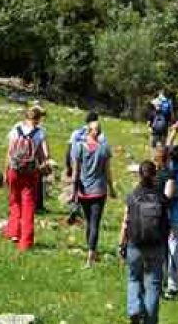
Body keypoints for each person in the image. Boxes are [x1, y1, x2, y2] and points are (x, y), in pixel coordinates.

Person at [120, 161, 170, 324]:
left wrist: (122, 243)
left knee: (134, 277)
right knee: (153, 285)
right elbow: (167, 224)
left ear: (139, 175)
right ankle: (150, 320)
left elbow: (126, 222)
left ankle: (134, 308)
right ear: (155, 175)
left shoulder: (133, 196)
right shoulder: (161, 198)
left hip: (135, 243)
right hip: (156, 245)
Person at [70, 111, 117, 267]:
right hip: (99, 190)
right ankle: (91, 255)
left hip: (84, 191)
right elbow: (108, 172)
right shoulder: (104, 149)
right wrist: (112, 189)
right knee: (95, 223)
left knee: (89, 221)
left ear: (88, 131)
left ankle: (90, 250)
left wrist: (73, 191)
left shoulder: (79, 147)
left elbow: (76, 172)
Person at [4, 107, 47, 251]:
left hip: (14, 170)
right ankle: (25, 242)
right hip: (30, 173)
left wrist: (6, 170)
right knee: (28, 206)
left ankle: (13, 232)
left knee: (14, 200)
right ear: (38, 119)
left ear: (25, 117)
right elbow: (43, 155)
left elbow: (9, 151)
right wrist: (43, 166)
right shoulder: (39, 133)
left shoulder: (16, 129)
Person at [157, 144, 178, 299]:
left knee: (161, 250)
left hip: (161, 216)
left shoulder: (162, 172)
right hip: (177, 217)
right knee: (176, 251)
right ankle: (173, 286)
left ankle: (159, 281)